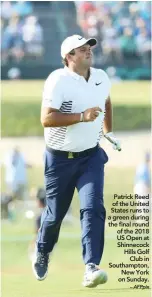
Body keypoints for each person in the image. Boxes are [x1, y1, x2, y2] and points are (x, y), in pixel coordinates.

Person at [32, 34, 121, 288]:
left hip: (91, 157)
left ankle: (91, 266)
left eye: (89, 48)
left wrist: (109, 130)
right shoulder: (57, 81)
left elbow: (106, 101)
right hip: (59, 160)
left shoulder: (101, 77)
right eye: (81, 50)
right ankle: (43, 250)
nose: (88, 52)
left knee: (93, 208)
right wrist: (82, 116)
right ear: (69, 57)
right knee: (54, 216)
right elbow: (46, 119)